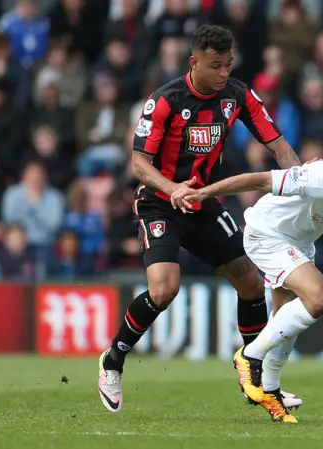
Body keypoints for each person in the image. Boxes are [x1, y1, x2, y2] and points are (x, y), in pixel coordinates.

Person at [98, 25, 303, 414]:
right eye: (215, 66)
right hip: (160, 201)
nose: (224, 73)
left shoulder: (238, 95)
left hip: (203, 201)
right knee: (163, 289)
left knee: (250, 282)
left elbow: (279, 146)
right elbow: (139, 165)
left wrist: (301, 185)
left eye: (228, 64)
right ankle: (113, 360)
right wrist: (172, 187)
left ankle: (255, 381)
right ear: (194, 62)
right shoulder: (164, 102)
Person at [176, 137, 323, 422]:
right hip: (267, 233)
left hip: (298, 244)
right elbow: (258, 180)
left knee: (285, 319)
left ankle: (271, 390)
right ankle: (250, 355)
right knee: (320, 298)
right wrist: (203, 194)